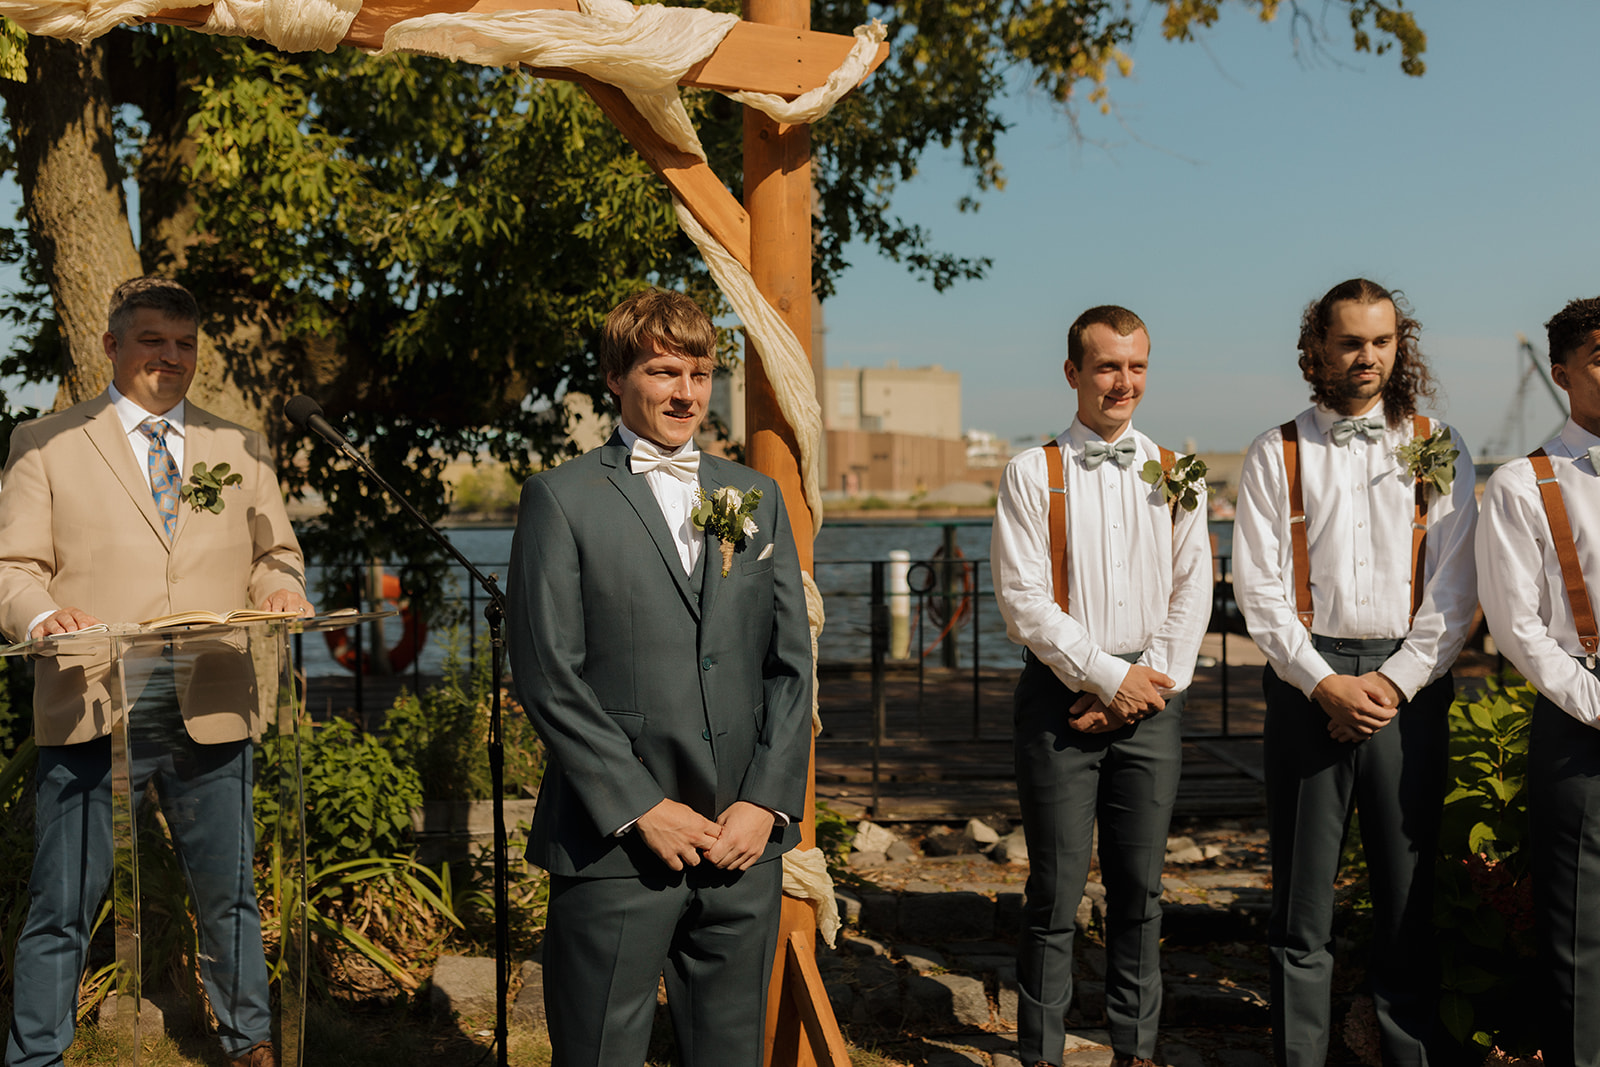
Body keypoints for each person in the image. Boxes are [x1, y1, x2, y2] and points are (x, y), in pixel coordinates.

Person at [0, 277, 312, 1067]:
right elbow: (12, 567)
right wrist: (42, 616)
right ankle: (36, 1054)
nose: (171, 358)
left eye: (184, 344)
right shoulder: (47, 442)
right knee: (63, 903)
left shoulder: (239, 445)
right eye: (153, 341)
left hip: (210, 697)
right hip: (92, 701)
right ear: (110, 345)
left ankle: (250, 1045)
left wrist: (281, 584)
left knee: (230, 896)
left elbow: (278, 551)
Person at [505, 288, 813, 1067]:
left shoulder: (757, 496)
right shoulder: (561, 499)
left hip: (743, 845)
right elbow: (548, 673)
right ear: (617, 376)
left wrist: (766, 801)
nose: (686, 392)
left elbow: (789, 666)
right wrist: (640, 807)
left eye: (701, 373)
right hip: (616, 847)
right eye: (664, 371)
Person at [1233, 278, 1477, 1067]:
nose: (1366, 357)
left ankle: (1406, 1053)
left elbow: (1455, 585)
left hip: (1411, 684)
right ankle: (1299, 1056)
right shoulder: (1278, 450)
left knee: (1406, 895)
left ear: (1398, 346)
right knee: (1302, 904)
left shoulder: (1438, 443)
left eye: (1381, 341)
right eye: (1350, 342)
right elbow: (1258, 590)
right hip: (1311, 680)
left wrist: (1395, 683)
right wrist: (1324, 683)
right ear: (1318, 349)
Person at [991, 305, 1212, 1067]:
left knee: (1140, 892)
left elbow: (1194, 590)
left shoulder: (1180, 473)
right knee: (1053, 892)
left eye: (1137, 366)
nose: (1125, 382)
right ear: (1074, 373)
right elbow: (1023, 601)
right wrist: (1104, 678)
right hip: (1059, 701)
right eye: (1109, 366)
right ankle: (1041, 1053)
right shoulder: (1030, 471)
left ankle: (1135, 1050)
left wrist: (1141, 687)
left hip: (1154, 702)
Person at [1476, 296, 1600, 1067]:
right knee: (1581, 934)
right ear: (1562, 374)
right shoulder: (1525, 484)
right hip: (1581, 717)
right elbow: (1517, 627)